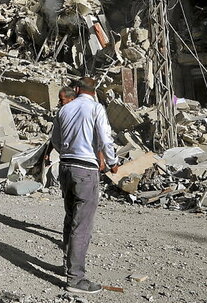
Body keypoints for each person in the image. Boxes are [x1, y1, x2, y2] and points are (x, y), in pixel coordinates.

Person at [50, 77, 118, 294]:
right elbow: (105, 139)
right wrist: (113, 161)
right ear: (93, 91)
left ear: (77, 90)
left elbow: (56, 141)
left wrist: (69, 154)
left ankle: (67, 266)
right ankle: (75, 279)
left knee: (70, 218)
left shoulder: (64, 110)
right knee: (83, 225)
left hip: (65, 168)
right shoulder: (97, 108)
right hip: (85, 171)